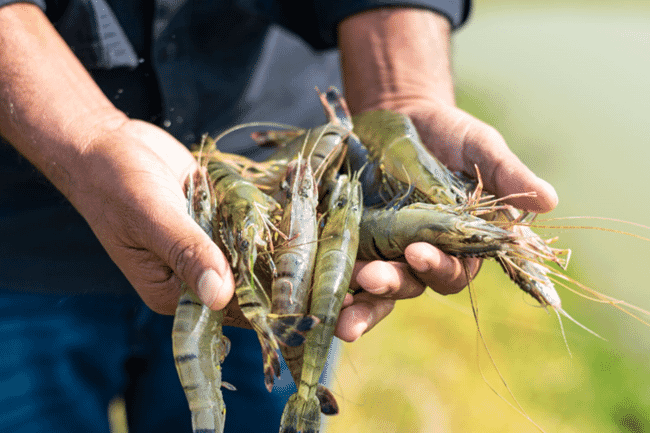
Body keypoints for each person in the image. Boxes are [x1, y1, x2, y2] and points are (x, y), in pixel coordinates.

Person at [0, 1, 559, 432]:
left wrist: (402, 94)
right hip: (20, 229)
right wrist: (84, 138)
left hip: (278, 167)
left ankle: (295, 379)